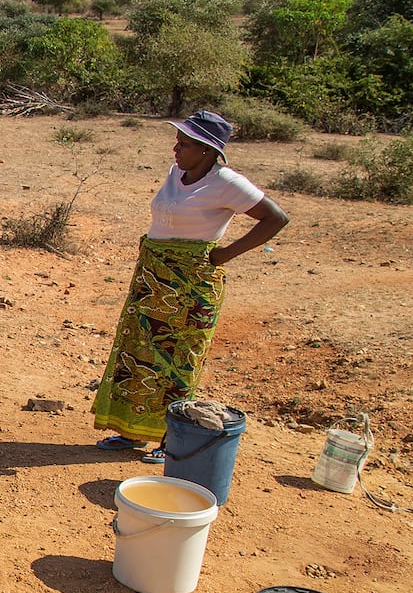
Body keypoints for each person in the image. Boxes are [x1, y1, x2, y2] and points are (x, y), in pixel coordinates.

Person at [93, 110, 289, 462]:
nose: (176, 149)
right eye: (177, 142)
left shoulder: (227, 182)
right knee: (139, 353)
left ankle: (171, 440)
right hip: (154, 279)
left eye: (184, 144)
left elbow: (276, 218)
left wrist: (225, 254)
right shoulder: (175, 174)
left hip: (191, 285)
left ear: (208, 151)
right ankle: (132, 431)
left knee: (177, 360)